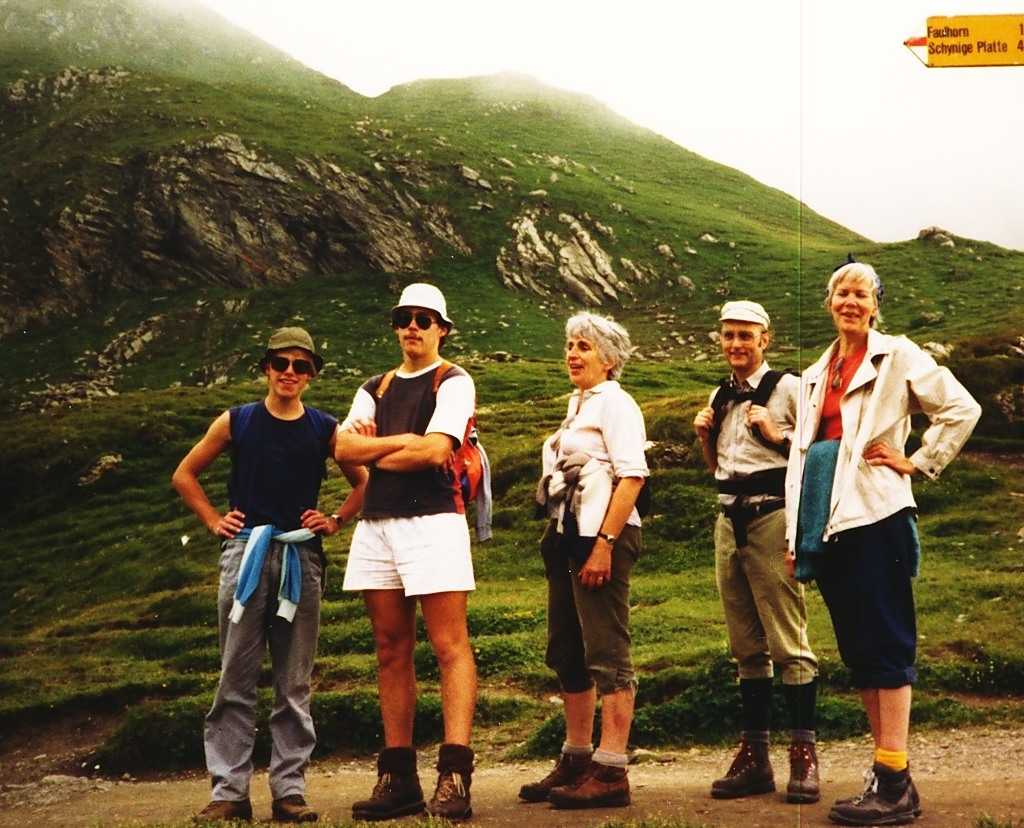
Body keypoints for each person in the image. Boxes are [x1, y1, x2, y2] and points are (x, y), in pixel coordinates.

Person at [785, 260, 981, 826]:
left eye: (861, 294)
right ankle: (888, 774)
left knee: (886, 644)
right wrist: (796, 534)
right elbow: (802, 456)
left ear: (875, 305)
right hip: (826, 521)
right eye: (841, 292)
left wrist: (917, 460)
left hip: (875, 512)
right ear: (829, 302)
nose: (850, 301)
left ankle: (894, 782)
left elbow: (961, 408)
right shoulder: (817, 371)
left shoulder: (897, 354)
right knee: (860, 651)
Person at [172, 326, 367, 824]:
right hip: (245, 554)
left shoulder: (325, 429)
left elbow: (363, 482)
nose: (289, 373)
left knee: (294, 682)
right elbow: (185, 474)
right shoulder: (237, 421)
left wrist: (335, 520)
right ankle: (229, 794)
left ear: (312, 375)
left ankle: (289, 792)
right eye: (281, 363)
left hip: (300, 556)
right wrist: (214, 521)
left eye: (301, 366)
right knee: (234, 677)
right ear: (266, 368)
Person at [334, 283, 478, 822]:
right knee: (390, 648)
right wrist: (404, 445)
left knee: (449, 645)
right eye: (403, 318)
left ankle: (455, 776)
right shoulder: (374, 386)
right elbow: (342, 448)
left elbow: (436, 451)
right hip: (377, 524)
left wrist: (377, 448)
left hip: (434, 521)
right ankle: (398, 778)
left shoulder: (453, 380)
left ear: (443, 328)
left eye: (423, 318)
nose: (412, 326)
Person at [518, 311, 648, 810]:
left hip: (601, 537)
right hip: (568, 535)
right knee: (567, 650)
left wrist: (605, 545)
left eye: (584, 347)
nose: (573, 354)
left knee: (606, 651)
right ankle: (577, 759)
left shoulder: (616, 403)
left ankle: (611, 771)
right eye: (570, 345)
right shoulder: (579, 405)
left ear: (609, 360)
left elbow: (632, 476)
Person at [693, 300, 821, 805]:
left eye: (746, 335)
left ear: (765, 339)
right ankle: (755, 757)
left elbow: (814, 456)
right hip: (729, 521)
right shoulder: (720, 393)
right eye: (729, 335)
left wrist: (776, 433)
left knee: (788, 641)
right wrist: (704, 437)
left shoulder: (790, 388)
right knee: (745, 645)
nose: (736, 344)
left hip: (773, 518)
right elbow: (718, 468)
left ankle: (804, 754)